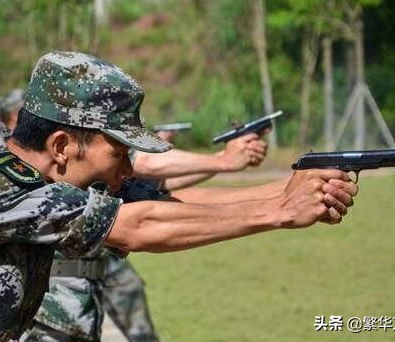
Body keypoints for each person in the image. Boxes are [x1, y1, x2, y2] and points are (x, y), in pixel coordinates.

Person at [0, 51, 357, 341]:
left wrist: (294, 187)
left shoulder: (36, 176)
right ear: (62, 145)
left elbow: (158, 206)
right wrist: (276, 209)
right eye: (119, 152)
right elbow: (137, 226)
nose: (128, 168)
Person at [25, 129, 269, 341]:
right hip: (56, 294)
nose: (126, 168)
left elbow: (158, 184)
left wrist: (221, 162)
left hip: (88, 282)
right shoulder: (72, 146)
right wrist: (223, 161)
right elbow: (148, 166)